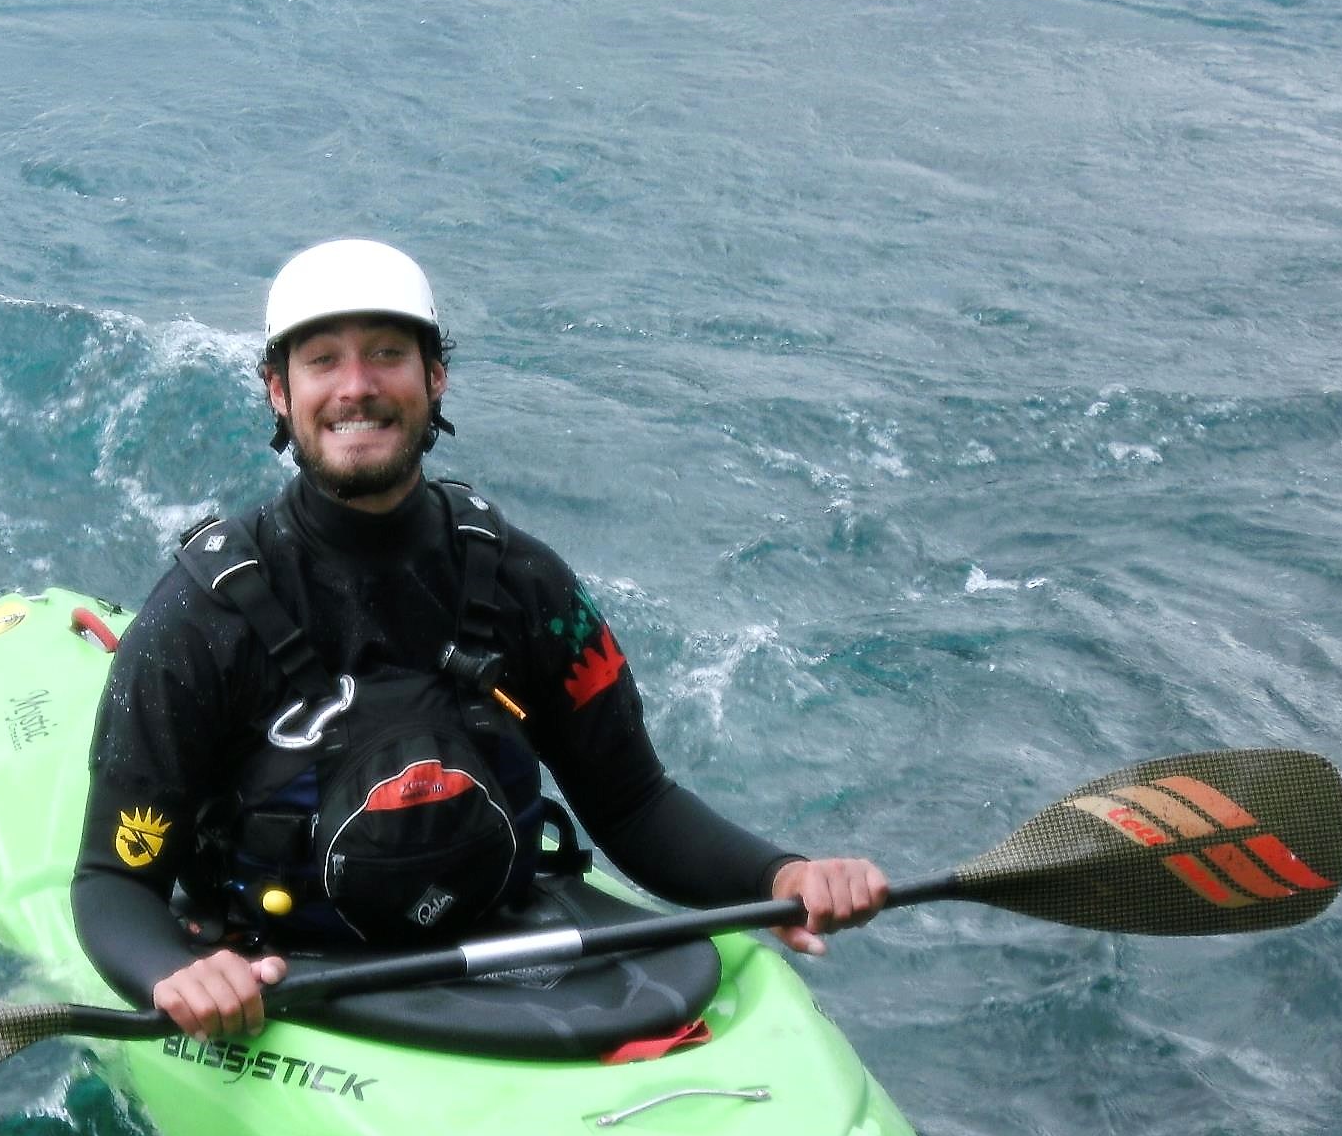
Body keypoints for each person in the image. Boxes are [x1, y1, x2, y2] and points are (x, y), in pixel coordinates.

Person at [71, 239, 887, 1042]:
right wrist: (174, 973)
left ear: (435, 378)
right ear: (279, 392)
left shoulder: (523, 582)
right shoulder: (202, 615)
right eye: (323, 361)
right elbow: (112, 881)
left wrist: (780, 875)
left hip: (499, 938)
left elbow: (634, 805)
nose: (357, 387)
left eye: (387, 354)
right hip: (283, 967)